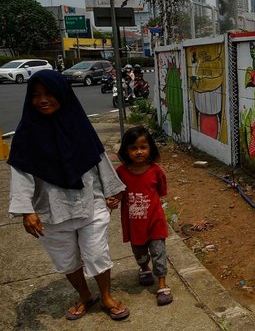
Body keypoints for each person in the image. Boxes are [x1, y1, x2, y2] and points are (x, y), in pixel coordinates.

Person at [7, 70, 130, 321]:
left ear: (63, 94)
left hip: (89, 202)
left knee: (97, 253)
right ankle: (85, 296)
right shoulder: (26, 136)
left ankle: (106, 295)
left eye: (49, 93)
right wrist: (26, 211)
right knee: (66, 260)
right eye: (36, 95)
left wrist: (112, 191)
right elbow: (21, 173)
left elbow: (99, 159)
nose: (43, 99)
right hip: (50, 210)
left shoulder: (79, 126)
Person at [106, 126, 173, 306]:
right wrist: (113, 200)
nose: (139, 152)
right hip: (134, 223)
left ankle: (162, 283)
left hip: (154, 221)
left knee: (159, 252)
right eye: (133, 148)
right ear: (126, 151)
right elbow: (119, 193)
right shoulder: (120, 173)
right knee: (139, 252)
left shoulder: (156, 171)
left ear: (150, 148)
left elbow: (160, 192)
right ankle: (144, 268)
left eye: (143, 147)